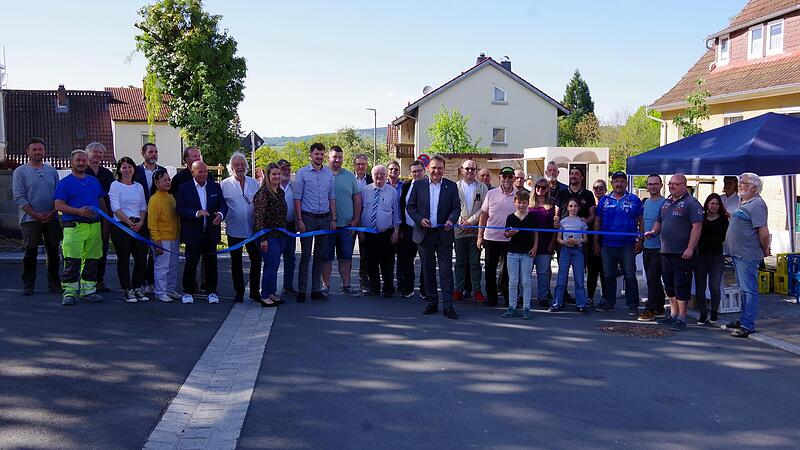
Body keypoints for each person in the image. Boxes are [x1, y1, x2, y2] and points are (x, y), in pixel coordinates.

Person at [645, 173, 703, 332]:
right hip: (665, 250)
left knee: (681, 285)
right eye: (670, 184)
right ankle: (673, 313)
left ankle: (682, 317)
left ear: (684, 185)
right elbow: (659, 221)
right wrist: (653, 232)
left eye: (675, 184)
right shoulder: (666, 202)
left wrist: (690, 248)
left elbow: (697, 227)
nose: (672, 186)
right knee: (669, 284)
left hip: (682, 252)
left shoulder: (691, 203)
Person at [406, 154, 461, 319]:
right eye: (434, 167)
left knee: (445, 271)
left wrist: (451, 220)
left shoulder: (451, 186)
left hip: (444, 234)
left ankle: (448, 306)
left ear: (444, 170)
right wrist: (419, 219)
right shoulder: (419, 184)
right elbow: (411, 207)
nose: (437, 171)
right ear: (428, 168)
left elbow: (456, 208)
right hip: (425, 234)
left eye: (440, 168)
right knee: (428, 269)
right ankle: (432, 302)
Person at [53, 149, 109, 305]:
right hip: (74, 227)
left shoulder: (93, 181)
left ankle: (88, 290)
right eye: (78, 160)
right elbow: (58, 205)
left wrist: (106, 221)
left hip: (94, 227)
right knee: (72, 261)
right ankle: (69, 292)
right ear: (72, 162)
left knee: (92, 260)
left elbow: (101, 202)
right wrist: (79, 212)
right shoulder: (65, 183)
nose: (81, 163)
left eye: (84, 160)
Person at [13, 138, 62, 295]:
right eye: (34, 150)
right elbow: (19, 197)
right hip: (30, 220)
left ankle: (54, 283)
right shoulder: (20, 172)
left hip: (51, 218)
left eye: (40, 149)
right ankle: (28, 284)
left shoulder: (52, 171)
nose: (37, 152)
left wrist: (53, 212)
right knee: (30, 252)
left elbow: (58, 195)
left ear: (44, 151)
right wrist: (36, 215)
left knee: (53, 251)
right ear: (28, 152)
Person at [725, 172, 770, 338]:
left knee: (749, 290)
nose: (740, 185)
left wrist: (765, 250)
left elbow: (763, 232)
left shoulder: (757, 204)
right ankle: (744, 319)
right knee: (743, 290)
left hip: (747, 255)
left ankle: (747, 325)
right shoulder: (745, 202)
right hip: (739, 254)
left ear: (754, 187)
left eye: (743, 183)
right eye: (740, 182)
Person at [176, 161, 228, 304]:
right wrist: (196, 213)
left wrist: (220, 215)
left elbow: (223, 205)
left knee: (211, 263)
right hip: (193, 233)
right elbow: (179, 209)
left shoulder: (215, 187)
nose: (204, 174)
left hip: (210, 232)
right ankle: (188, 291)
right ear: (192, 172)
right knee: (191, 263)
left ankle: (212, 291)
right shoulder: (184, 188)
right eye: (200, 171)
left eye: (205, 171)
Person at [594, 171, 643, 315]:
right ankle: (609, 302)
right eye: (616, 181)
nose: (619, 184)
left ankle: (633, 305)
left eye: (622, 181)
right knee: (608, 274)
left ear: (626, 183)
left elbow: (641, 219)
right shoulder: (604, 200)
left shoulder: (634, 199)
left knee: (629, 274)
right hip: (607, 245)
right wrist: (596, 241)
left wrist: (640, 239)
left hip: (627, 245)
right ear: (612, 183)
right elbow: (598, 220)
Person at [294, 142, 337, 302]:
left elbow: (331, 197)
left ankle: (316, 290)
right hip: (308, 218)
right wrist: (299, 220)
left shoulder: (328, 174)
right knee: (305, 256)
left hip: (325, 219)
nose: (319, 157)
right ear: (311, 155)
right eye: (316, 154)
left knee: (320, 256)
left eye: (321, 154)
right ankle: (302, 290)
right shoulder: (302, 173)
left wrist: (333, 219)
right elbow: (297, 198)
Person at [321, 146, 362, 296]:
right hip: (327, 226)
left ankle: (346, 286)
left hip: (347, 226)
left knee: (346, 257)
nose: (337, 160)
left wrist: (356, 221)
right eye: (334, 157)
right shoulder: (322, 174)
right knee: (326, 258)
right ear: (328, 158)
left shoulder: (350, 176)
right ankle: (325, 286)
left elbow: (357, 199)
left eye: (340, 157)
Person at [221, 152, 261, 302]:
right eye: (236, 165)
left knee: (256, 260)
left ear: (246, 166)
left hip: (252, 230)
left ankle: (254, 291)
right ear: (231, 167)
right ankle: (239, 291)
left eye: (242, 164)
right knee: (236, 262)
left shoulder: (253, 183)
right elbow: (221, 206)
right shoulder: (224, 185)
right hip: (234, 230)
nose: (240, 167)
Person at [108, 157, 149, 303]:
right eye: (124, 167)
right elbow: (115, 207)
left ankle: (137, 286)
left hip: (139, 226)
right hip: (121, 226)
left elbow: (143, 207)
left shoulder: (138, 186)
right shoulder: (115, 185)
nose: (127, 170)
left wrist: (141, 222)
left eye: (130, 167)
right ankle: (127, 289)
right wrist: (128, 222)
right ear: (119, 169)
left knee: (141, 258)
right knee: (124, 259)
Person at [553, 167, 596, 304]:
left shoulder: (588, 194)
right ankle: (559, 300)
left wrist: (585, 222)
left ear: (582, 177)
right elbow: (557, 214)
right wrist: (556, 222)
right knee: (562, 275)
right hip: (564, 241)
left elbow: (592, 216)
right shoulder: (562, 193)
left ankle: (582, 302)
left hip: (579, 243)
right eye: (571, 173)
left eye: (577, 174)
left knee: (579, 276)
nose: (573, 176)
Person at [478, 166, 517, 307]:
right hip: (491, 238)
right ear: (500, 178)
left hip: (511, 240)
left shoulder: (519, 194)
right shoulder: (491, 193)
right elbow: (484, 214)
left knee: (509, 271)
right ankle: (492, 298)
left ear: (513, 178)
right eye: (504, 176)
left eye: (509, 176)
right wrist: (480, 236)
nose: (507, 179)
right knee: (490, 269)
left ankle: (508, 298)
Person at [360, 165, 401, 297]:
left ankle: (388, 289)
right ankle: (374, 288)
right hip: (369, 232)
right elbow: (361, 210)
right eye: (376, 174)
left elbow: (396, 214)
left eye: (382, 174)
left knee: (387, 262)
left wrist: (396, 231)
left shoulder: (392, 192)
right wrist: (360, 230)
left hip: (386, 233)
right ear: (372, 175)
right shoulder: (365, 190)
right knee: (371, 261)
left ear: (386, 175)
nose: (379, 176)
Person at [253, 163, 287, 307]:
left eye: (279, 174)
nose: (277, 177)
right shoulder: (263, 194)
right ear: (267, 176)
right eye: (274, 174)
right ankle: (265, 295)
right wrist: (263, 239)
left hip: (280, 235)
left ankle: (272, 292)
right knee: (271, 265)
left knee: (275, 264)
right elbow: (258, 217)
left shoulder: (281, 192)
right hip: (267, 236)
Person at [133, 143, 165, 292]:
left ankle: (152, 282)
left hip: (158, 218)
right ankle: (139, 283)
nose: (154, 154)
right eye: (151, 152)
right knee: (140, 252)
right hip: (140, 216)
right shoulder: (136, 171)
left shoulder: (162, 171)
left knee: (156, 252)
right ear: (143, 153)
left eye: (156, 152)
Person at [454, 159, 487, 302]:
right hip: (459, 229)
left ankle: (477, 290)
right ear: (462, 170)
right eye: (467, 169)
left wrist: (471, 221)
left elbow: (484, 209)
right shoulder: (455, 187)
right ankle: (458, 289)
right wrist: (460, 220)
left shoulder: (482, 188)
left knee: (475, 263)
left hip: (475, 230)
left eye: (473, 169)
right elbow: (452, 206)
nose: (470, 171)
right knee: (460, 262)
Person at [694, 193, 729, 325]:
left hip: (716, 256)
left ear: (719, 206)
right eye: (712, 203)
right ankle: (703, 313)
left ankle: (714, 312)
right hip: (700, 256)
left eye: (716, 203)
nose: (714, 206)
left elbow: (726, 237)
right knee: (700, 287)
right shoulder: (701, 218)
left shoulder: (724, 219)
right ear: (707, 204)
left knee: (714, 287)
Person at [148, 168, 182, 303]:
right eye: (164, 180)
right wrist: (157, 241)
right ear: (156, 183)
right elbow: (152, 223)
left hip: (174, 237)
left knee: (173, 266)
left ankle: (170, 289)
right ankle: (160, 291)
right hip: (162, 238)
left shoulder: (171, 197)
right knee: (162, 267)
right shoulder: (154, 200)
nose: (168, 182)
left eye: (169, 179)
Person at [85, 142, 115, 293]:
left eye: (100, 153)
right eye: (95, 152)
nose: (97, 155)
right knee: (87, 251)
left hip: (104, 217)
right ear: (88, 154)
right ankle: (86, 280)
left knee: (102, 250)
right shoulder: (82, 171)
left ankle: (99, 281)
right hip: (86, 217)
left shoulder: (107, 174)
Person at [637, 174, 667, 322]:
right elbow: (643, 221)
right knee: (652, 278)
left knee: (652, 278)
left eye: (655, 184)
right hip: (647, 246)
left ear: (661, 185)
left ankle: (650, 309)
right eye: (650, 184)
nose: (652, 186)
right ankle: (660, 306)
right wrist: (641, 239)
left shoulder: (665, 203)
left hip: (659, 248)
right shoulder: (646, 203)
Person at [502, 190, 536, 319]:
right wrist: (510, 233)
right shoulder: (510, 217)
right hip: (512, 253)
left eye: (524, 202)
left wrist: (535, 247)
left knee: (526, 281)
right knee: (513, 281)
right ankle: (512, 306)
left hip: (527, 253)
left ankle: (526, 308)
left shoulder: (531, 217)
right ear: (514, 202)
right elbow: (505, 233)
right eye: (519, 202)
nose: (521, 205)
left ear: (528, 203)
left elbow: (535, 233)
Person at [551, 199, 589, 313]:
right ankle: (557, 303)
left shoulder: (582, 223)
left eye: (575, 206)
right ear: (567, 208)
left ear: (579, 208)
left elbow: (585, 239)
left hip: (577, 251)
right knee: (561, 278)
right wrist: (565, 242)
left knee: (579, 279)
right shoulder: (563, 222)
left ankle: (581, 304)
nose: (573, 208)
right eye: (571, 206)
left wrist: (578, 241)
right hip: (565, 251)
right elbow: (558, 239)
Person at [397, 160, 426, 298]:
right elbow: (402, 207)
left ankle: (425, 290)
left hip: (425, 229)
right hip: (408, 229)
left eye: (419, 170)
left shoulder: (430, 185)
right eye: (414, 171)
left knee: (426, 260)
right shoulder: (406, 186)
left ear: (424, 171)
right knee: (406, 260)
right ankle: (408, 288)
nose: (417, 173)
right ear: (410, 173)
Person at [528, 177, 556, 308]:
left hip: (546, 243)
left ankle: (543, 296)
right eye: (538, 186)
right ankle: (523, 296)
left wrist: (553, 243)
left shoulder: (552, 206)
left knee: (543, 272)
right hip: (528, 244)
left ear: (547, 189)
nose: (540, 189)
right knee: (526, 272)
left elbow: (555, 226)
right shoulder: (527, 203)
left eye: (544, 187)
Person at [353, 154, 373, 293]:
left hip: (366, 222)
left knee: (366, 253)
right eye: (358, 164)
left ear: (367, 165)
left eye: (363, 164)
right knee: (345, 254)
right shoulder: (348, 178)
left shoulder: (372, 179)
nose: (361, 166)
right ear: (354, 165)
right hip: (350, 220)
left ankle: (365, 280)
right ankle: (346, 283)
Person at [277, 159, 297, 294]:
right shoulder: (271, 186)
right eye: (283, 169)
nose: (286, 171)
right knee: (274, 258)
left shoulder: (294, 186)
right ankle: (269, 288)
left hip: (290, 226)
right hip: (276, 227)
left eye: (288, 169)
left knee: (290, 257)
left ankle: (288, 285)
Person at [586, 179, 606, 304]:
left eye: (601, 188)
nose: (598, 190)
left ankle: (605, 298)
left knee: (605, 272)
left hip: (606, 243)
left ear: (605, 190)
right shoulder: (591, 206)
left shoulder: (609, 204)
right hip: (591, 243)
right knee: (592, 272)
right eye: (596, 188)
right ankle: (590, 297)